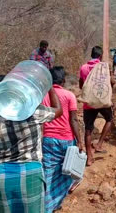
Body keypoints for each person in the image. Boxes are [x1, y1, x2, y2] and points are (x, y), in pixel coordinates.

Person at [0, 75, 63, 213]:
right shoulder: (31, 113)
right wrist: (49, 87)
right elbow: (58, 110)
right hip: (30, 170)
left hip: (2, 174)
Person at [41, 66, 84, 212]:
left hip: (47, 140)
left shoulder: (43, 96)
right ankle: (55, 203)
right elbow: (74, 120)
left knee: (48, 174)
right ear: (64, 80)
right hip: (66, 139)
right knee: (67, 173)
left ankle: (48, 205)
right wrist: (80, 141)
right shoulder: (69, 95)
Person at [79, 46, 113, 166]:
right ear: (100, 56)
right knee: (109, 119)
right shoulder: (104, 67)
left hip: (88, 103)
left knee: (88, 130)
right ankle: (99, 144)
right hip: (102, 100)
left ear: (91, 54)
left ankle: (89, 157)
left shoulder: (83, 68)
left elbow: (81, 85)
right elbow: (109, 83)